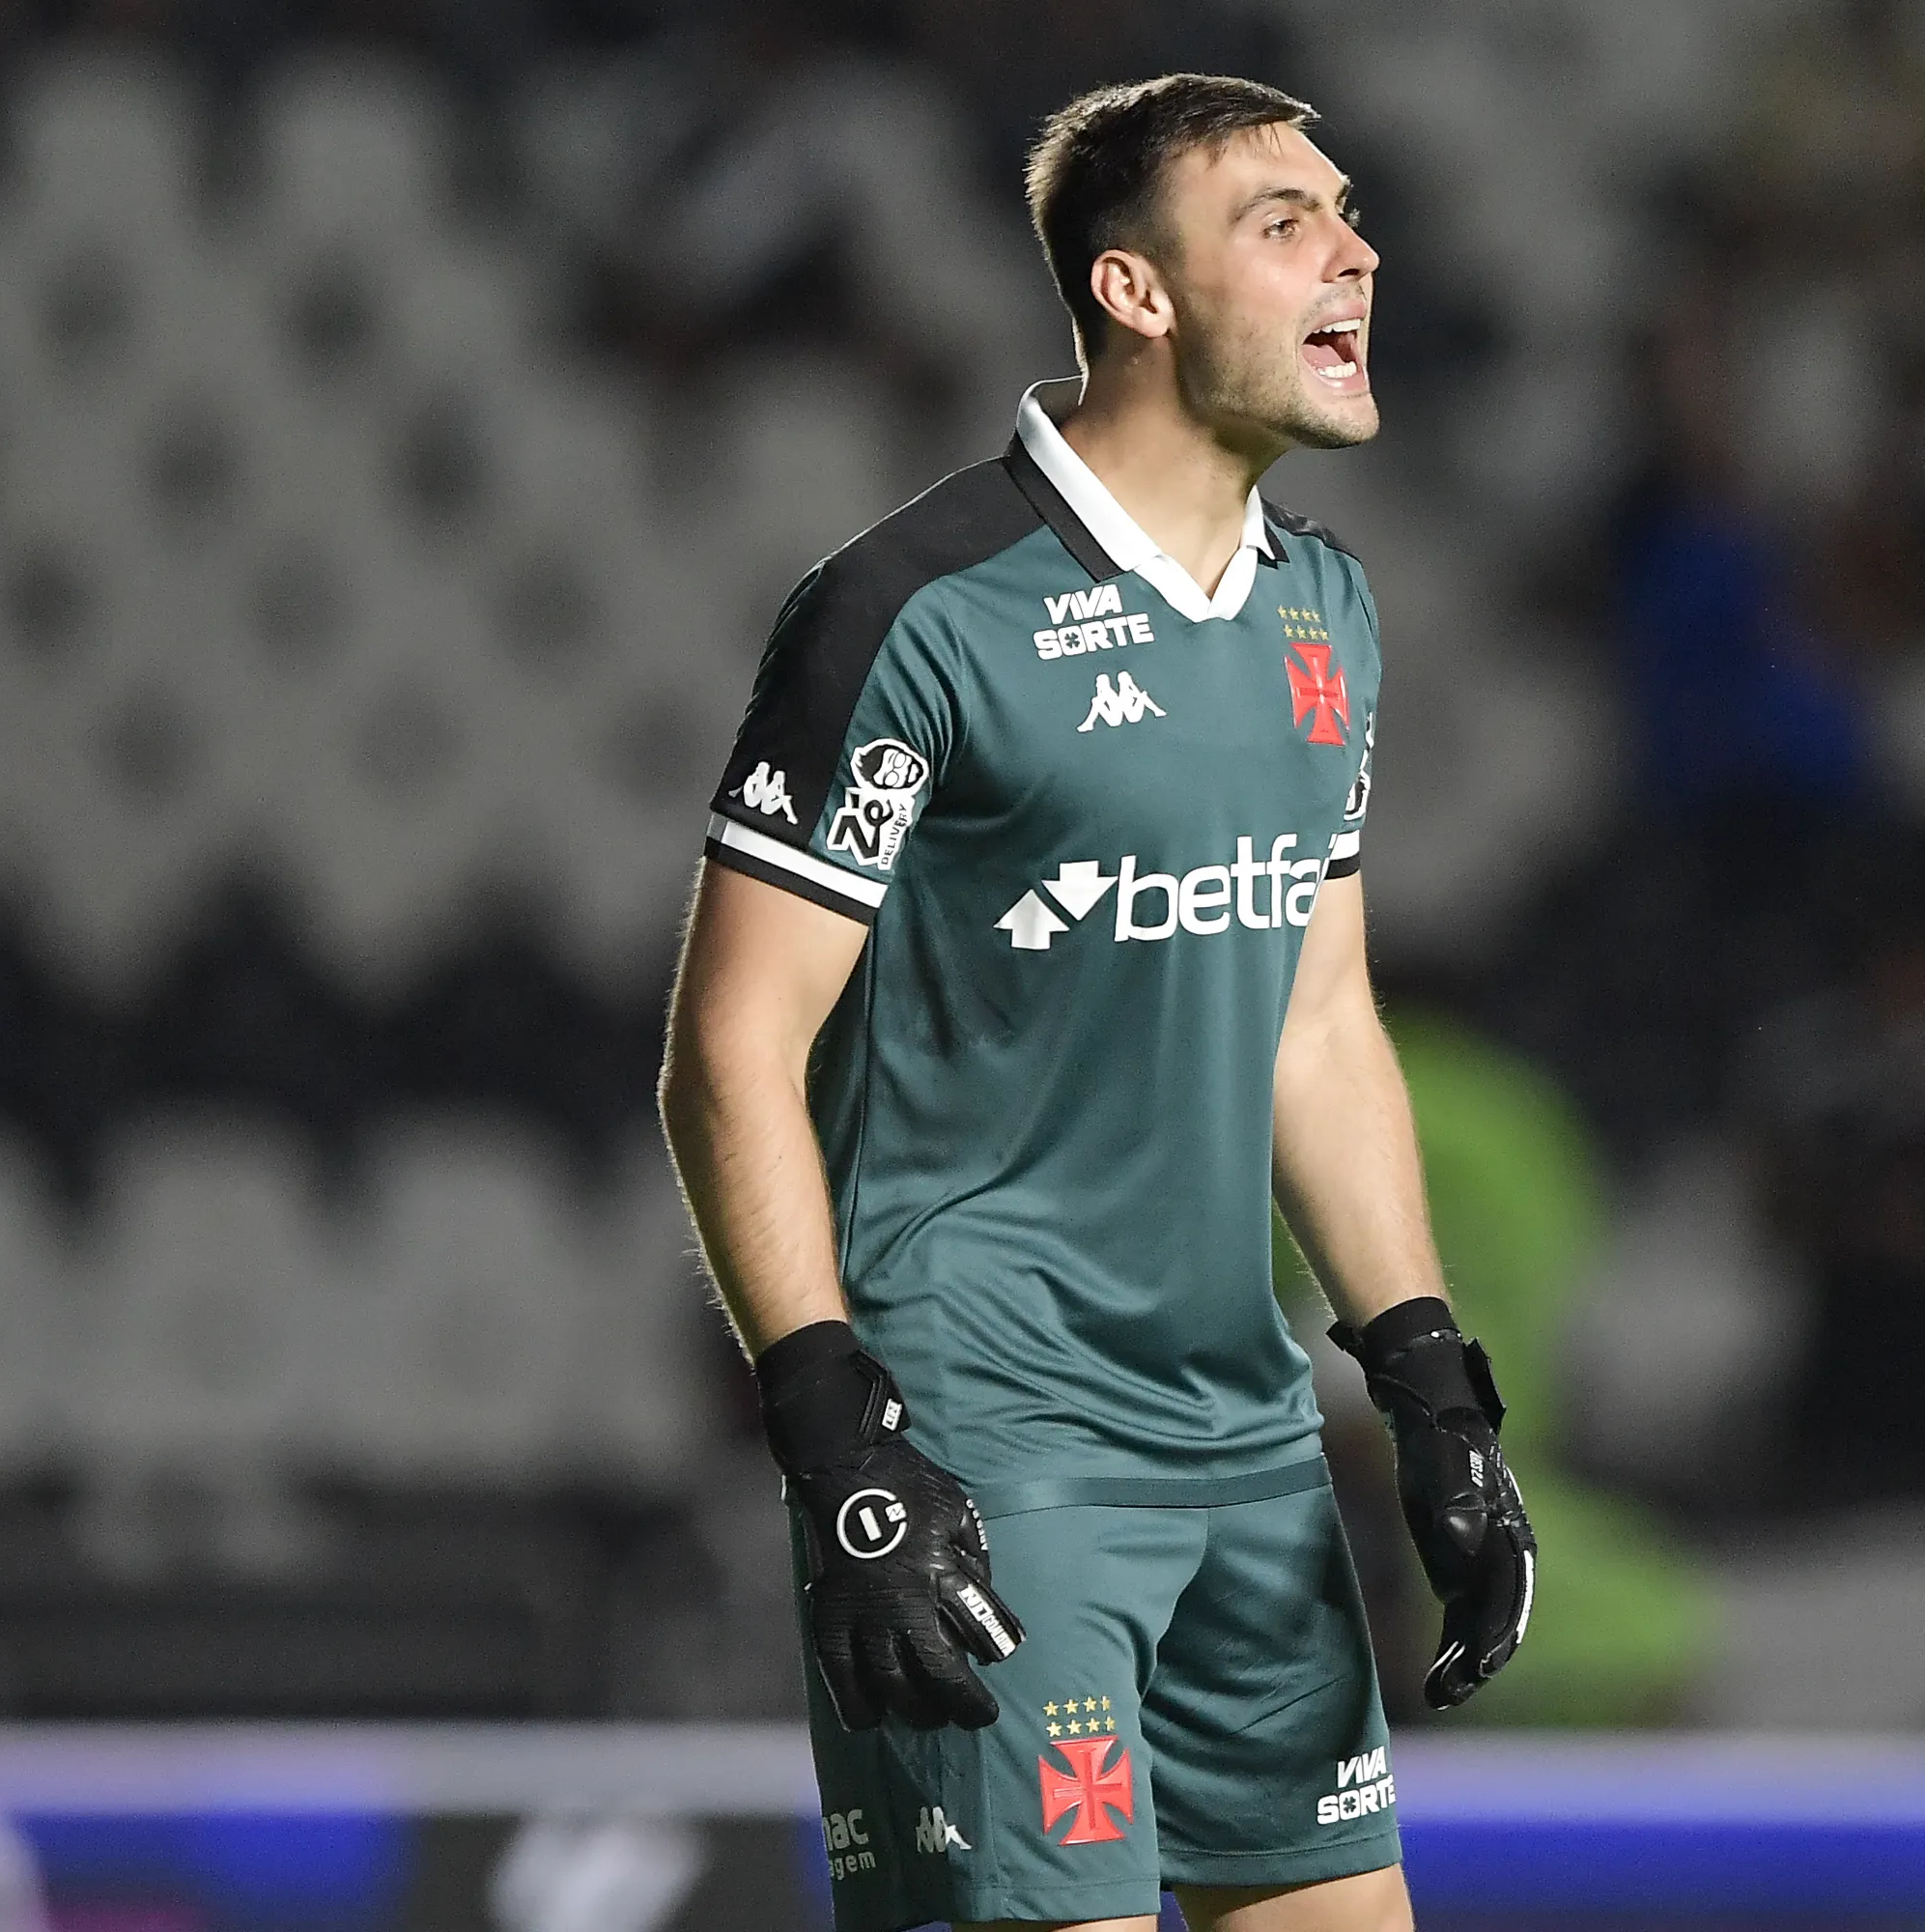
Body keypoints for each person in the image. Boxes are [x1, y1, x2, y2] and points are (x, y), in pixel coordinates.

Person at [660, 74, 1533, 1932]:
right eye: (1285, 224)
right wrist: (841, 1450)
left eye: (1348, 213)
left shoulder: (1327, 613)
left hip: (1248, 1447)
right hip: (990, 1449)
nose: (1357, 254)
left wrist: (1430, 1390)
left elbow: (1318, 1025)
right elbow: (731, 1047)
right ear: (1135, 292)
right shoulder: (910, 612)